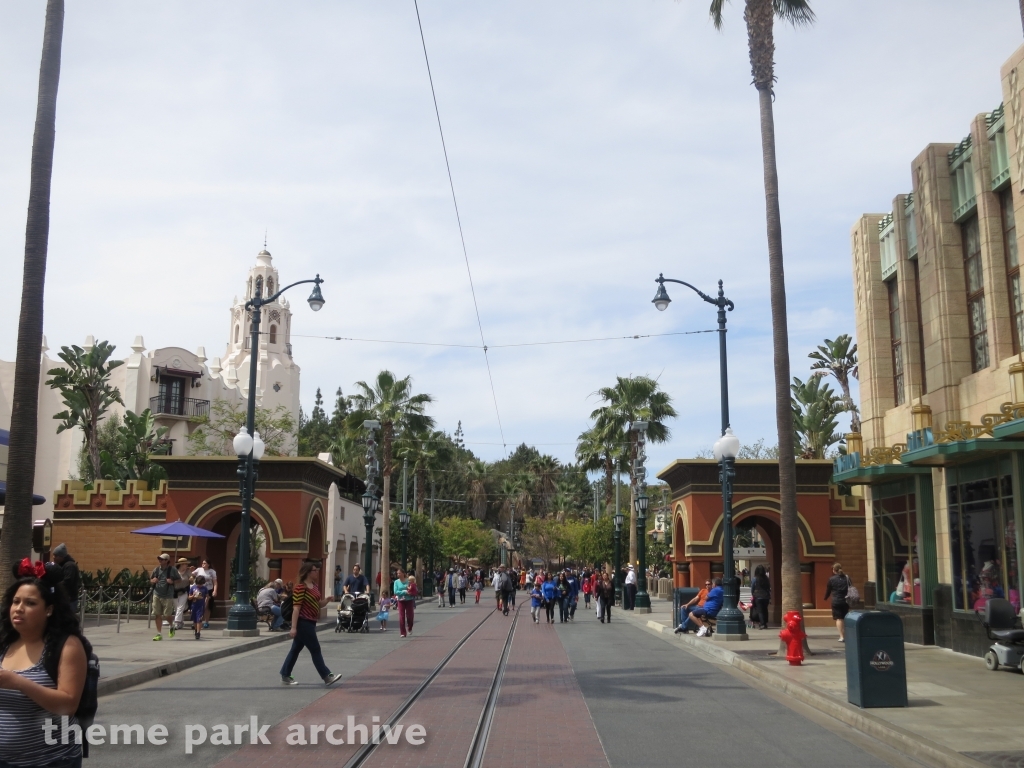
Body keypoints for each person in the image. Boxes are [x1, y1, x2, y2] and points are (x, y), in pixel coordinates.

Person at [0, 558, 89, 768]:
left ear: (48, 609)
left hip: (50, 761)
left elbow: (68, 705)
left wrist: (18, 682)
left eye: (30, 603)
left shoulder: (67, 646)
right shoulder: (4, 642)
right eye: (15, 601)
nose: (19, 609)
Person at [280, 562, 342, 686]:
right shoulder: (300, 588)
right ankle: (326, 676)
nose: (317, 572)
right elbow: (296, 608)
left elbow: (318, 604)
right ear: (308, 572)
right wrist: (293, 627)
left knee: (295, 649)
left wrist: (327, 601)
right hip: (303, 622)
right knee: (315, 649)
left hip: (311, 621)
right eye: (314, 570)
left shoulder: (314, 586)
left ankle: (285, 674)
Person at [150, 554, 182, 641]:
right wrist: (153, 581)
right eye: (159, 559)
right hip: (157, 594)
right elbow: (151, 580)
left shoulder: (172, 570)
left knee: (167, 614)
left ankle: (171, 625)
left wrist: (172, 581)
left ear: (167, 560)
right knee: (157, 614)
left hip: (168, 595)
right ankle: (159, 633)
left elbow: (179, 580)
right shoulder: (156, 570)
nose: (160, 560)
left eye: (162, 559)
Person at [50, 544, 81, 616]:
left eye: (56, 556)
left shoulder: (69, 566)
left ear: (61, 556)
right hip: (64, 598)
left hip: (69, 599)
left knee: (67, 619)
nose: (53, 558)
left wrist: (56, 587)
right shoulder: (62, 565)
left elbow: (67, 581)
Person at [824, 562, 851, 642]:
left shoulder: (831, 579)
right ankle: (846, 635)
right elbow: (851, 587)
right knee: (845, 617)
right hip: (846, 600)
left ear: (833, 570)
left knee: (839, 619)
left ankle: (841, 636)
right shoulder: (847, 577)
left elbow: (828, 590)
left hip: (836, 600)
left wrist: (825, 598)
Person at [192, 559, 217, 629]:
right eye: (202, 563)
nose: (203, 564)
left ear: (208, 564)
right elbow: (192, 575)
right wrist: (191, 571)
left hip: (208, 589)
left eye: (205, 563)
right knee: (197, 605)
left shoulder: (212, 572)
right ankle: (196, 621)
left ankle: (206, 622)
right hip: (199, 590)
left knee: (207, 606)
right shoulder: (199, 570)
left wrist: (215, 591)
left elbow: (215, 582)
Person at [394, 569, 415, 638]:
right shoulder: (396, 582)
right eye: (397, 573)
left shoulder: (408, 581)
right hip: (401, 600)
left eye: (399, 573)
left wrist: (408, 592)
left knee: (410, 616)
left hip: (409, 600)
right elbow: (396, 592)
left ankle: (410, 628)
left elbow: (412, 589)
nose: (398, 575)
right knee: (401, 617)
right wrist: (404, 592)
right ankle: (403, 632)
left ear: (403, 573)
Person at [172, 558, 192, 630]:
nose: (186, 565)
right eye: (185, 564)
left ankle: (176, 622)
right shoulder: (175, 572)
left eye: (187, 564)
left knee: (180, 607)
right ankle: (181, 622)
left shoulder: (188, 572)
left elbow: (192, 580)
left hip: (184, 592)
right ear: (181, 565)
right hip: (175, 592)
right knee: (176, 608)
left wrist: (192, 578)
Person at [188, 575, 209, 640]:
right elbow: (189, 597)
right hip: (194, 605)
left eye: (201, 584)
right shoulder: (193, 588)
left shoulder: (204, 588)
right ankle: (196, 629)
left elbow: (207, 596)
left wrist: (205, 603)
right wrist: (193, 596)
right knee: (195, 620)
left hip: (201, 606)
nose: (199, 585)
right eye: (198, 584)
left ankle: (198, 632)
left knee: (199, 619)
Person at [752, 566, 771, 630]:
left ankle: (762, 623)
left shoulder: (755, 578)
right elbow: (769, 587)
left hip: (758, 596)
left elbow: (752, 587)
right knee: (765, 610)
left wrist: (753, 594)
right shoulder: (766, 578)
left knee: (760, 611)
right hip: (766, 596)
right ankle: (765, 623)